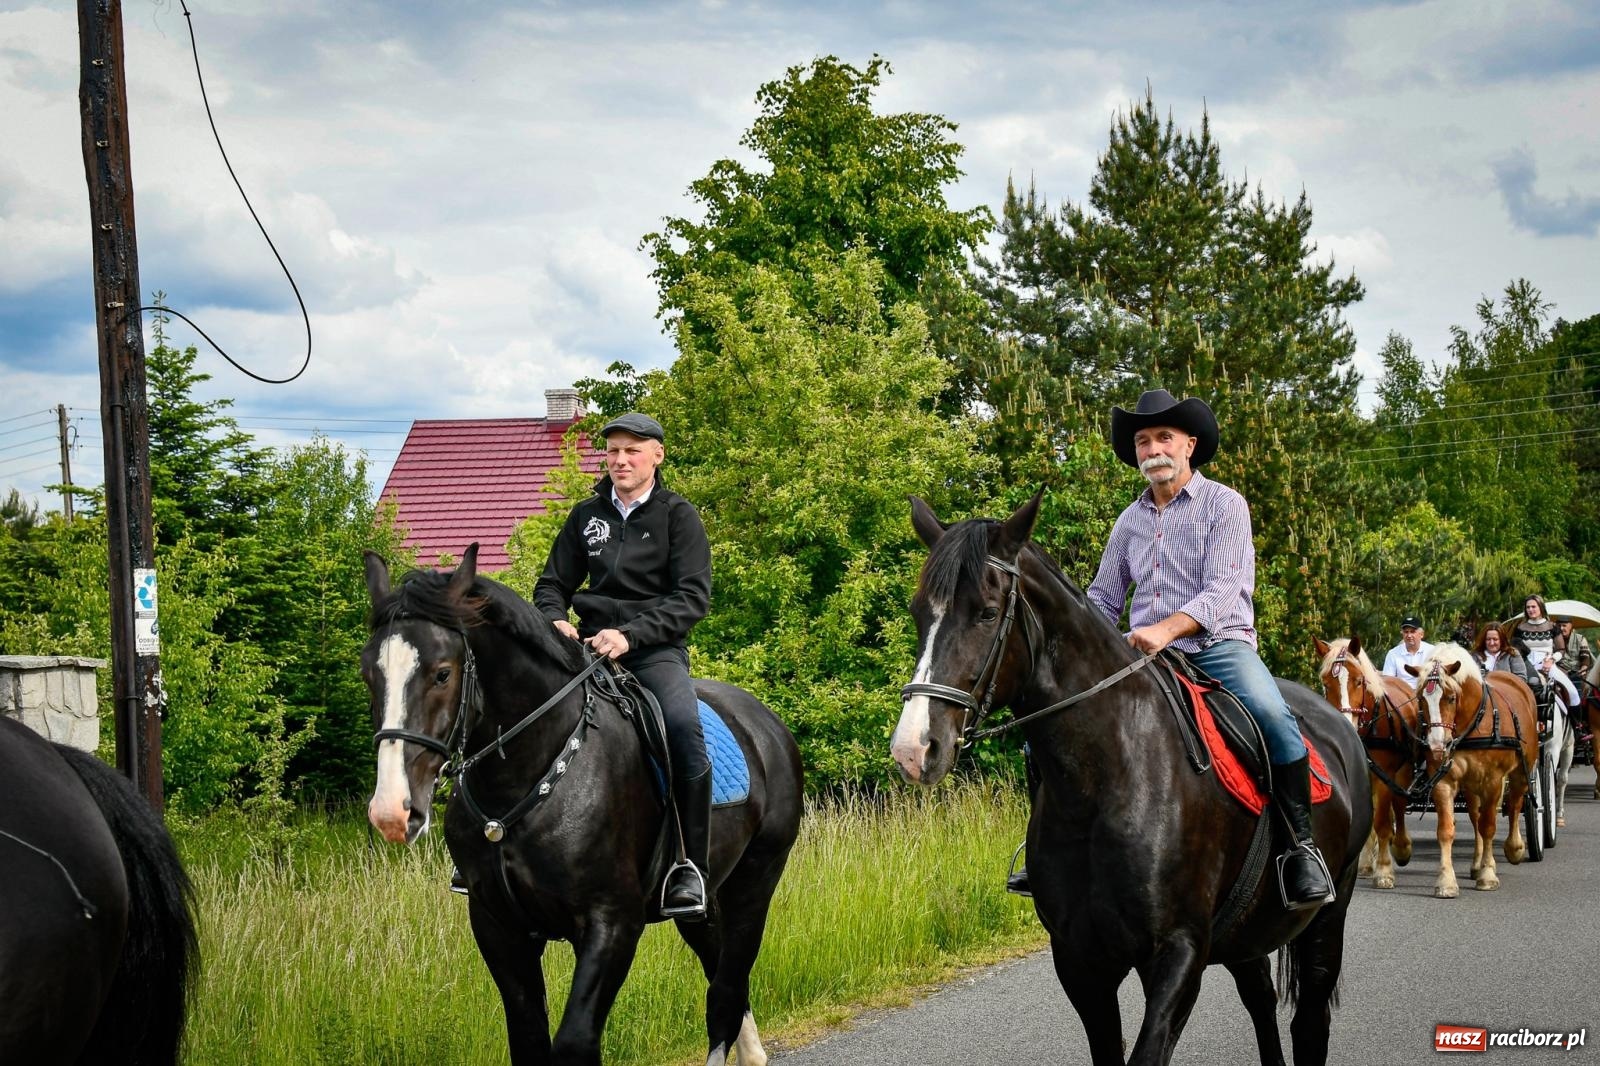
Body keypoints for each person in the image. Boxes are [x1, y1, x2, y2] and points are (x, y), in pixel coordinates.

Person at [1009, 388, 1336, 912]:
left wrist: (1167, 628)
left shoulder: (1225, 505)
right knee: (1046, 725)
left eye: (1164, 437)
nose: (1153, 448)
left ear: (1189, 445)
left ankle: (1300, 848)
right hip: (1140, 657)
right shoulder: (1128, 521)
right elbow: (1102, 599)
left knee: (1274, 718)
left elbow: (1228, 585)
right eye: (1143, 440)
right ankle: (1047, 848)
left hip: (1218, 646)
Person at [532, 412, 715, 920]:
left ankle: (689, 868)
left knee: (681, 727)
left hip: (653, 651)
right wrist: (553, 620)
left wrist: (631, 635)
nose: (620, 459)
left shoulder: (679, 516)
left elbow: (692, 599)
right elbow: (552, 584)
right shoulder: (585, 515)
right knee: (515, 707)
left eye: (632, 450)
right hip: (584, 649)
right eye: (612, 450)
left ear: (657, 455)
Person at [1513, 594, 1580, 711]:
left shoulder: (1552, 627)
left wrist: (1551, 661)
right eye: (1528, 607)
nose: (1530, 610)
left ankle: (1577, 726)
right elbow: (1515, 649)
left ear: (1541, 607)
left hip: (1548, 664)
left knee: (1573, 693)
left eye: (1533, 606)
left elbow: (1561, 650)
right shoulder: (1520, 628)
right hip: (1525, 665)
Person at [1381, 616, 1434, 684]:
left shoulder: (1432, 651)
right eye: (1406, 632)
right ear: (1402, 634)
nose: (1409, 635)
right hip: (1401, 692)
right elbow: (1388, 681)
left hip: (1424, 691)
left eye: (1412, 632)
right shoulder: (1393, 654)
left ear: (1421, 634)